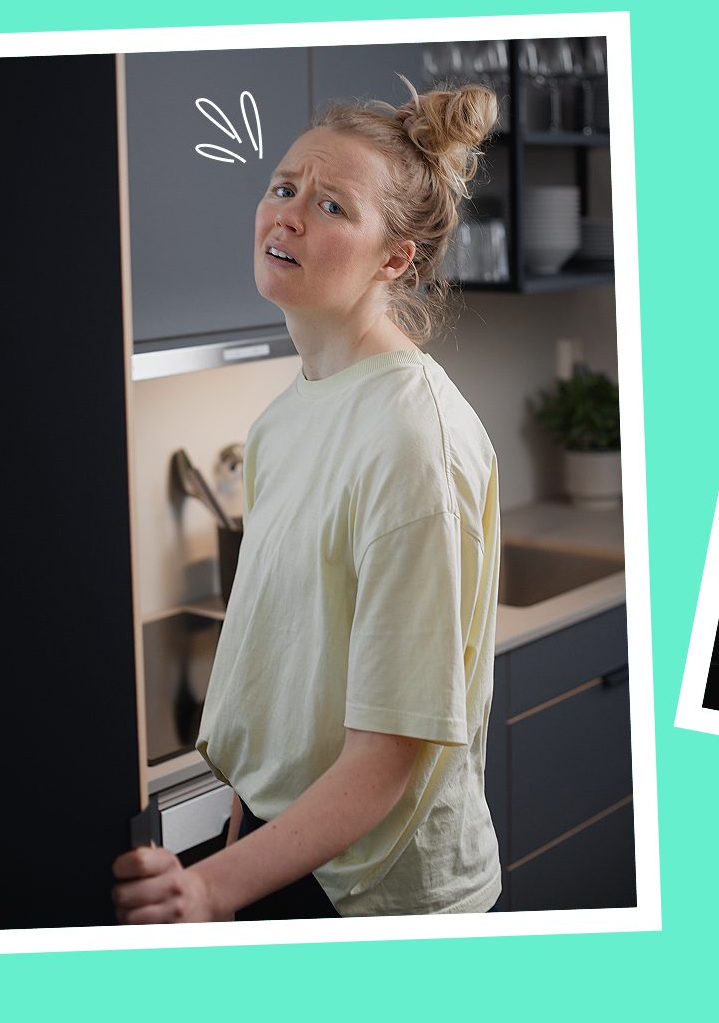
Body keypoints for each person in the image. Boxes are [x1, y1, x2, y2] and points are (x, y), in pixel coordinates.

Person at [113, 83, 505, 921]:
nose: (287, 216)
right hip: (288, 842)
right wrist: (240, 833)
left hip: (382, 889)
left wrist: (211, 888)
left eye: (331, 205)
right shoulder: (285, 415)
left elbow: (388, 753)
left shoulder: (411, 439)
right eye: (284, 187)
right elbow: (281, 682)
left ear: (395, 259)